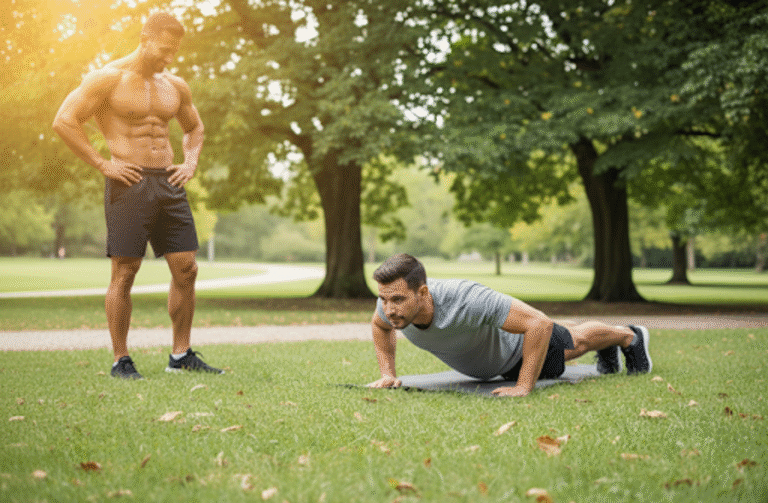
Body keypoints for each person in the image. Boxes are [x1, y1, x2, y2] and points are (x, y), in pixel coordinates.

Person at [53, 12, 222, 379]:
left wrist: (190, 162)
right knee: (126, 270)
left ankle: (181, 355)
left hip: (169, 183)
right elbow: (64, 120)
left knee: (187, 269)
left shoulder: (174, 85)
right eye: (163, 49)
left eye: (174, 51)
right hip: (128, 181)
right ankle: (121, 359)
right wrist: (103, 164)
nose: (169, 58)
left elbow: (194, 128)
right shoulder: (106, 79)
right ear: (145, 38)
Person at [367, 254, 651, 397]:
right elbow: (379, 326)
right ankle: (609, 347)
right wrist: (387, 373)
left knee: (575, 343)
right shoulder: (389, 304)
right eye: (384, 299)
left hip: (516, 352)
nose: (389, 309)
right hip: (495, 360)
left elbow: (538, 324)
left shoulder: (467, 299)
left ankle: (629, 337)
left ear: (423, 293)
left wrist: (523, 386)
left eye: (397, 300)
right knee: (566, 331)